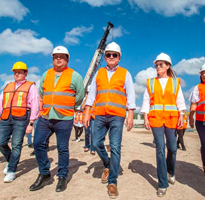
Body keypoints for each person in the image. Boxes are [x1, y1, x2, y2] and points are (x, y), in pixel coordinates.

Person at [83, 42, 136, 199]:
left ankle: (112, 181)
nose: (111, 57)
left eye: (115, 55)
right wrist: (87, 112)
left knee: (115, 147)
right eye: (108, 54)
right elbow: (92, 94)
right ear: (105, 56)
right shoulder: (99, 73)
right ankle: (108, 165)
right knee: (96, 143)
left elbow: (131, 95)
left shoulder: (125, 73)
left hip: (117, 115)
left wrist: (131, 114)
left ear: (119, 57)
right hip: (99, 114)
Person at [29, 46, 84, 192]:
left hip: (64, 118)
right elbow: (42, 92)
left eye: (62, 56)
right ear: (52, 58)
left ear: (67, 59)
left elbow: (79, 96)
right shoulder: (46, 74)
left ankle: (62, 176)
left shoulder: (75, 76)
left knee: (62, 148)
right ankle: (45, 173)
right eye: (55, 56)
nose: (58, 58)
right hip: (46, 116)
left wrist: (67, 106)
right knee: (38, 143)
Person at [140, 53, 186, 197]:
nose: (158, 67)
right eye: (157, 65)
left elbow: (180, 100)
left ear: (168, 66)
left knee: (172, 148)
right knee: (160, 148)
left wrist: (182, 115)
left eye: (161, 64)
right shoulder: (151, 82)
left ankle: (170, 171)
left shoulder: (175, 82)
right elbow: (147, 100)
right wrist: (145, 117)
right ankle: (162, 183)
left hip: (172, 119)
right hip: (156, 119)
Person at [0, 61, 39, 183]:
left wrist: (31, 122)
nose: (17, 74)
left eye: (20, 72)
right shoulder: (8, 86)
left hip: (22, 118)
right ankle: (11, 161)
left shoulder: (31, 86)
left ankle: (12, 170)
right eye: (15, 72)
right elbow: (0, 104)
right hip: (6, 118)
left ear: (26, 73)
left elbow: (35, 104)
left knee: (16, 145)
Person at [82, 85, 96, 155]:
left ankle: (92, 149)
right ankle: (87, 146)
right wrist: (86, 99)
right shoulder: (85, 99)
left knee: (93, 133)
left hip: (93, 118)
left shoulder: (96, 99)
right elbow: (82, 107)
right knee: (87, 133)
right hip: (86, 118)